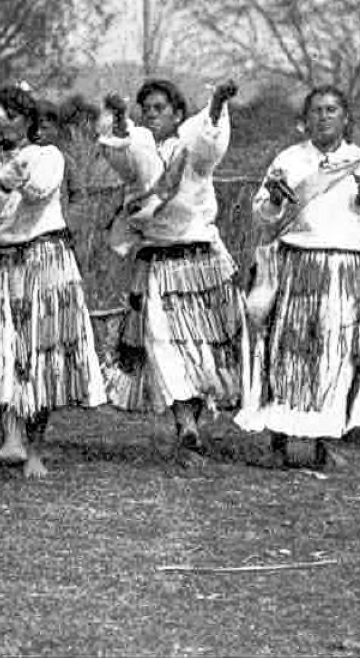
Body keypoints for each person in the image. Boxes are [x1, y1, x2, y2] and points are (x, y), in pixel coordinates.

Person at [0, 85, 105, 479]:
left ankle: (36, 450)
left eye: (9, 119)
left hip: (44, 261)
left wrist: (9, 175)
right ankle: (11, 441)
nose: (1, 128)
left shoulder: (48, 156)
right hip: (3, 264)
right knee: (0, 353)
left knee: (41, 356)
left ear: (28, 120)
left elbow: (39, 191)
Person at [236, 86, 360, 468]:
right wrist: (273, 198)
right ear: (306, 119)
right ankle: (278, 442)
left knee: (335, 357)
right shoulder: (289, 160)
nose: (324, 116)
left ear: (345, 117)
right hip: (298, 267)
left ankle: (323, 443)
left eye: (332, 109)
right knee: (287, 352)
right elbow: (262, 216)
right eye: (317, 110)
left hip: (347, 272)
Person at [97, 79, 245, 462]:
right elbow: (125, 154)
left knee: (200, 349)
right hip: (158, 263)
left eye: (160, 108)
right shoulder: (141, 150)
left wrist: (216, 104)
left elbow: (210, 140)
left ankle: (191, 424)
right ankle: (186, 427)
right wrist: (122, 120)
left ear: (178, 114)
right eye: (146, 108)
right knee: (162, 343)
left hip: (199, 260)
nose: (152, 114)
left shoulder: (191, 148)